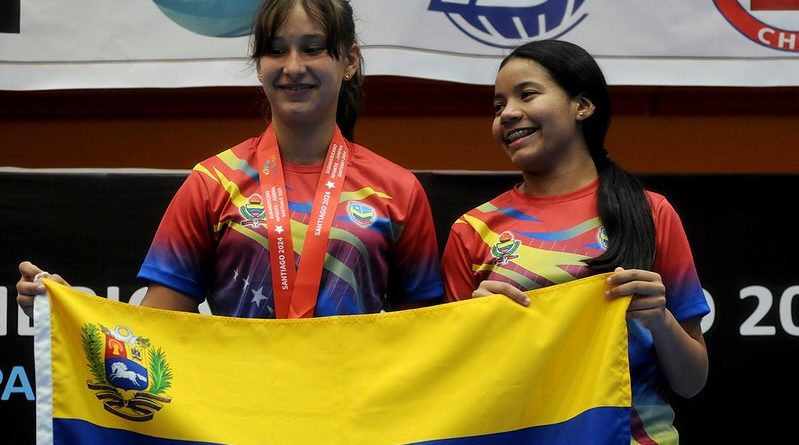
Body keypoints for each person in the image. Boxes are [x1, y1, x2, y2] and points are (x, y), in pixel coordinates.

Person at [17, 0, 443, 319]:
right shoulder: (213, 182)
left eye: (312, 48)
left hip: (354, 409)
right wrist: (73, 312)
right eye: (276, 50)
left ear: (349, 60)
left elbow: (424, 335)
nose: (293, 66)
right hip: (239, 407)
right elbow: (158, 324)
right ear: (259, 65)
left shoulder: (397, 190)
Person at [441, 39, 708, 444]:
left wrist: (661, 319)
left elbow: (692, 382)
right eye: (498, 106)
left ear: (582, 106)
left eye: (527, 94)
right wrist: (478, 326)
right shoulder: (472, 229)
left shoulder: (651, 213)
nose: (507, 113)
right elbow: (453, 388)